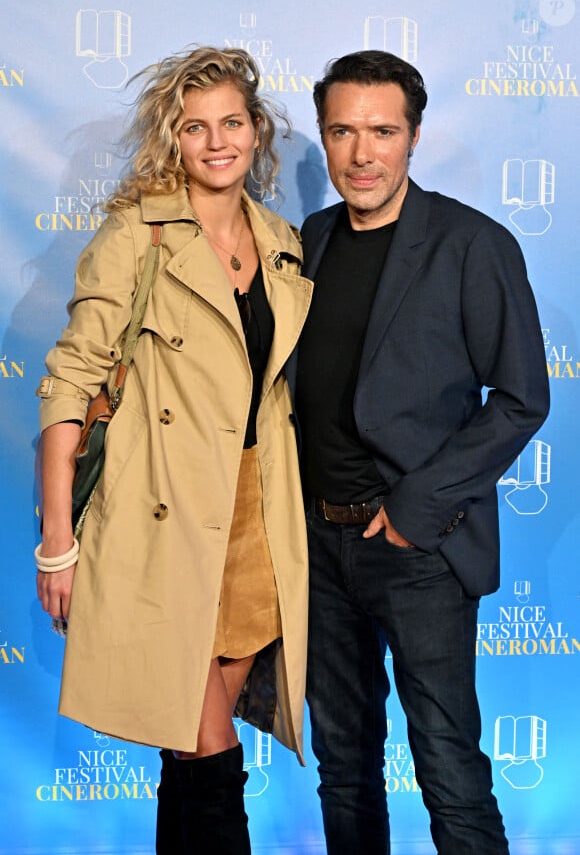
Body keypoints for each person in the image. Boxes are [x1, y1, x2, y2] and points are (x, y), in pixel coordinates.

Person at [35, 46, 312, 855]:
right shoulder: (137, 236)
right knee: (211, 757)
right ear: (173, 139)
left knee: (190, 763)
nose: (217, 141)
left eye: (232, 122)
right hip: (161, 523)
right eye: (197, 128)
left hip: (256, 523)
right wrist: (59, 546)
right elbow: (70, 387)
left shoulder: (284, 244)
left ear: (257, 131)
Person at [292, 50, 550, 854]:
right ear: (325, 138)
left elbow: (521, 398)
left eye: (382, 131)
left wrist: (413, 511)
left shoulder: (472, 244)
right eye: (342, 131)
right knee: (344, 763)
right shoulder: (313, 237)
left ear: (413, 137)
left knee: (445, 763)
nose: (361, 154)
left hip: (417, 547)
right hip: (316, 546)